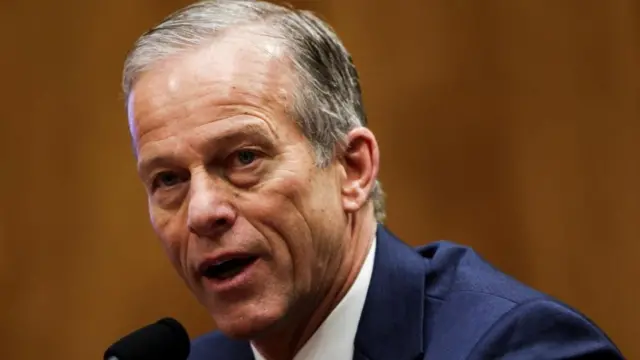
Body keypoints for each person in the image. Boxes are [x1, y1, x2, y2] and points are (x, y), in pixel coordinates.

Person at [121, 1, 623, 359]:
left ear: (353, 169)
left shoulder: (519, 347)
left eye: (244, 158)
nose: (203, 211)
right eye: (168, 180)